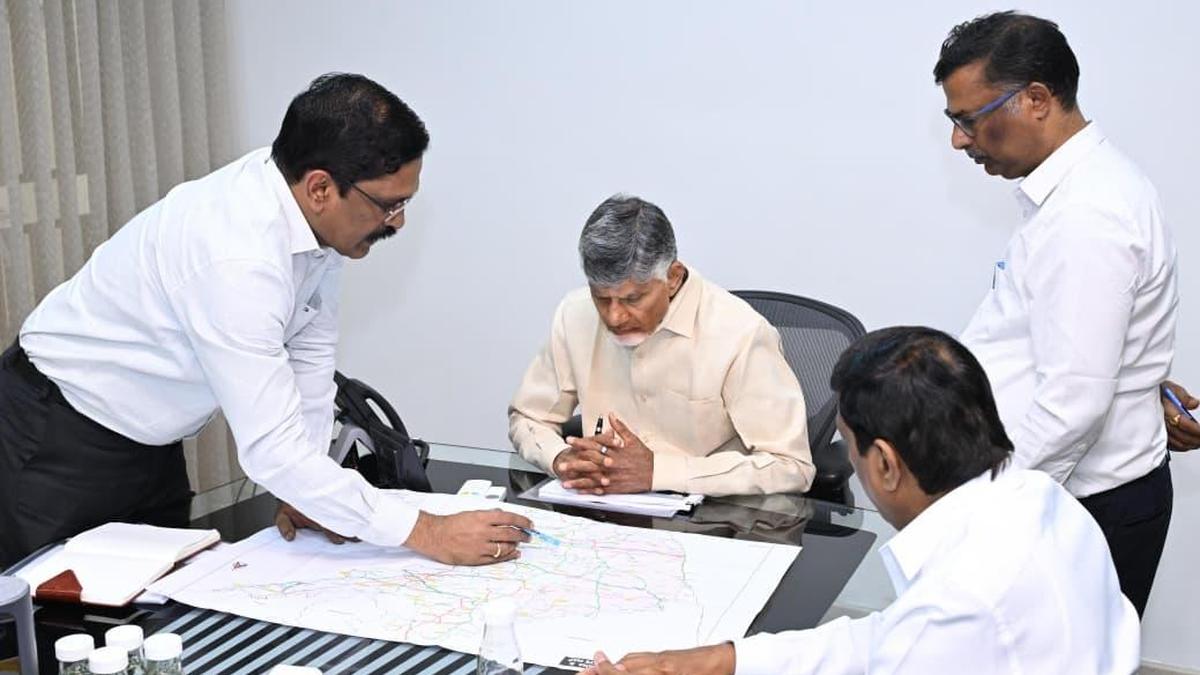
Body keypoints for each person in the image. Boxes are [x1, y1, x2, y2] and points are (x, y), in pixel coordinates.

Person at [0, 73, 531, 570]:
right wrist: (426, 531)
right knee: (58, 617)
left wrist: (312, 488)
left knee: (162, 606)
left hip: (150, 443)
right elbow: (272, 451)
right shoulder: (238, 255)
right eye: (389, 206)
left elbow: (310, 362)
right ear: (321, 189)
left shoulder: (306, 217)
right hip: (58, 434)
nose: (399, 221)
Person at [584, 327, 1139, 675]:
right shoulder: (1043, 501)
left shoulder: (957, 605)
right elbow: (880, 642)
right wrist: (727, 660)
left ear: (886, 464)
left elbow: (908, 643)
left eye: (849, 444)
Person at [936, 11, 1177, 616]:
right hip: (1063, 493)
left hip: (1078, 505)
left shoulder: (1086, 216)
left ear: (1037, 99)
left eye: (969, 119)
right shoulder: (1075, 193)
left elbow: (1073, 404)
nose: (960, 141)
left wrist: (977, 504)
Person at [508, 194, 813, 496]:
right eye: (601, 298)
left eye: (633, 299)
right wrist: (560, 457)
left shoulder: (740, 333)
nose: (614, 317)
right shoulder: (574, 314)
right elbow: (528, 417)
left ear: (672, 277)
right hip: (601, 509)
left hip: (713, 515)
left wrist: (658, 472)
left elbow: (791, 467)